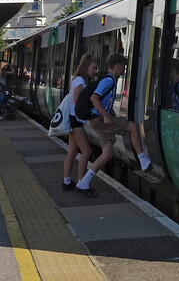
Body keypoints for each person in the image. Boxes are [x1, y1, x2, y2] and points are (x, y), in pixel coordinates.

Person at [75, 53, 151, 197]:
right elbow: (94, 98)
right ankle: (143, 160)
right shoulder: (109, 81)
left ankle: (83, 182)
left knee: (107, 153)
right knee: (133, 127)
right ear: (118, 66)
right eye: (123, 67)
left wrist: (109, 115)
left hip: (96, 120)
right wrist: (106, 116)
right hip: (99, 119)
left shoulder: (108, 80)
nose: (124, 70)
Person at [61, 54, 97, 192]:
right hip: (75, 119)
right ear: (86, 67)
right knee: (86, 151)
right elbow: (76, 100)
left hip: (73, 119)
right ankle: (82, 183)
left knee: (72, 151)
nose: (95, 71)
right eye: (93, 68)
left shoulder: (77, 80)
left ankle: (67, 181)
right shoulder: (80, 81)